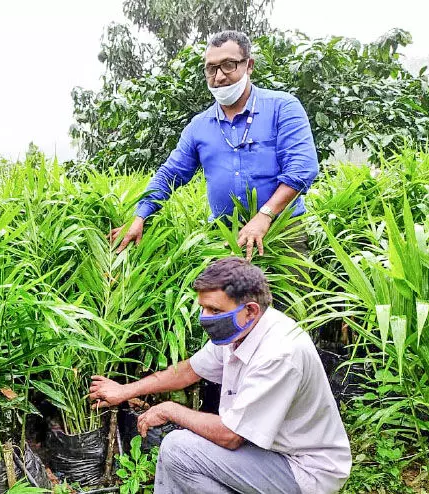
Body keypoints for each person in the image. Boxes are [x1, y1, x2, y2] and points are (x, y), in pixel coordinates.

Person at [88, 257, 351, 493]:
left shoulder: (279, 354)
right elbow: (189, 370)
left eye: (214, 310)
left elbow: (230, 436)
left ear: (250, 310)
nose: (205, 318)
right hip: (269, 450)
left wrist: (170, 409)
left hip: (303, 469)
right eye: (203, 308)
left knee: (179, 449)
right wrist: (125, 391)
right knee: (181, 458)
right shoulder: (240, 331)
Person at [110, 30, 319, 262]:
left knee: (290, 287)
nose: (219, 77)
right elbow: (170, 174)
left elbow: (302, 169)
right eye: (211, 68)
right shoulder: (199, 125)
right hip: (224, 237)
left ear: (249, 65)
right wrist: (139, 216)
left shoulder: (283, 107)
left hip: (282, 231)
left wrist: (265, 215)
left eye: (228, 65)